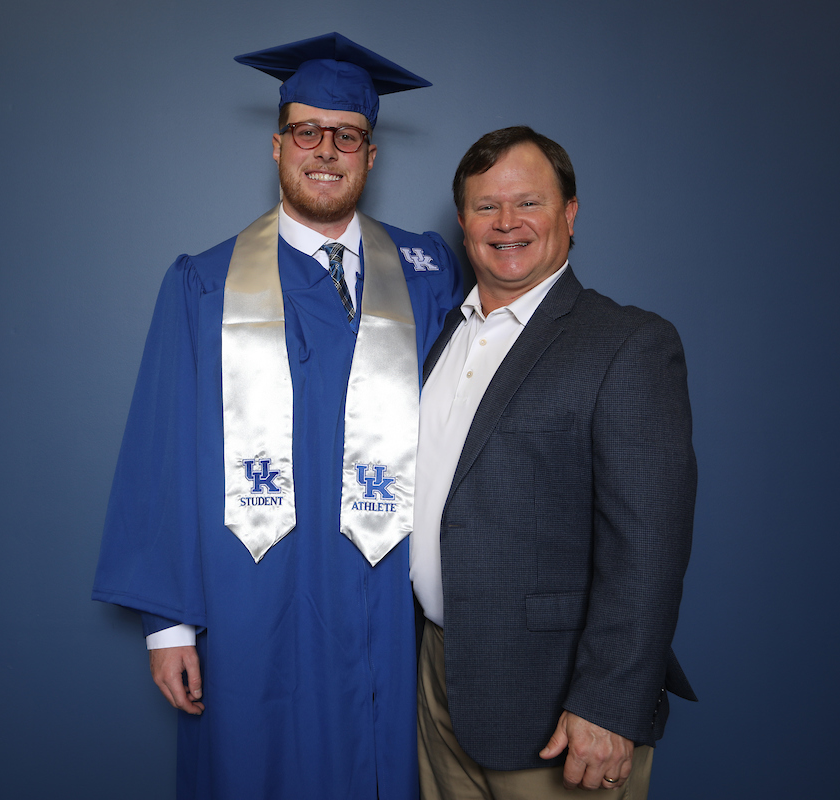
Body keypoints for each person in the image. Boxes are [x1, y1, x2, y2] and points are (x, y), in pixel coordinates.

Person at [93, 33, 463, 800]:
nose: (325, 149)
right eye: (306, 131)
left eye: (347, 135)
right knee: (253, 762)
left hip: (387, 598)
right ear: (277, 145)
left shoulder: (426, 276)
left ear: (370, 154)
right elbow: (162, 453)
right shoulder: (205, 284)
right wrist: (168, 625)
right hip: (250, 596)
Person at [411, 126, 697, 799]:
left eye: (528, 203)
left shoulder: (627, 344)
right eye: (486, 207)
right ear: (463, 223)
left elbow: (649, 544)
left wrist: (609, 702)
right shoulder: (445, 336)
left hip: (559, 704)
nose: (506, 223)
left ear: (570, 213)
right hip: (438, 679)